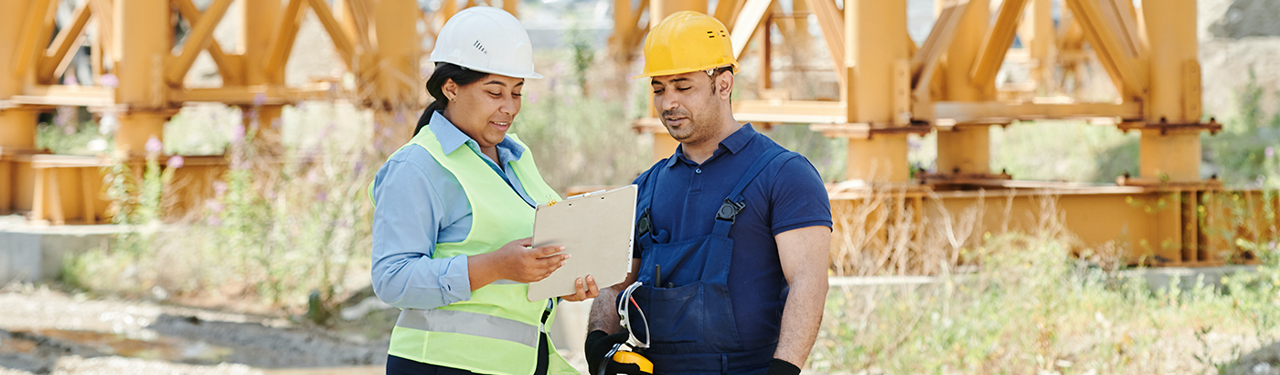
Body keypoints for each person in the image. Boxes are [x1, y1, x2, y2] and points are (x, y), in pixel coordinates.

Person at [584, 11, 832, 375]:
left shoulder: (784, 174)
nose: (669, 103)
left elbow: (809, 283)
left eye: (683, 87)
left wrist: (784, 369)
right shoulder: (645, 187)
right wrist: (599, 345)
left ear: (724, 84)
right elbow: (613, 284)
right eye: (659, 89)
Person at [369, 7, 599, 375]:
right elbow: (392, 279)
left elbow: (520, 266)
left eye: (517, 93)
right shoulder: (417, 167)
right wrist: (495, 266)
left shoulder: (517, 157)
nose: (509, 108)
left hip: (523, 363)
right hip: (442, 365)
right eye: (495, 92)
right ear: (451, 88)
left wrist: (559, 282)